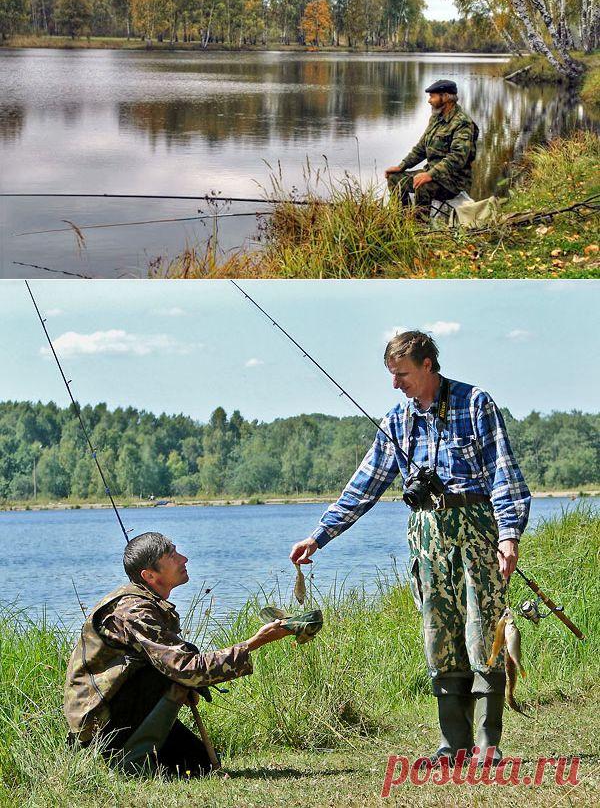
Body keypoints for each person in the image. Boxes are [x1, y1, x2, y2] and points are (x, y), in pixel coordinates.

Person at [290, 331, 531, 768]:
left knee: (484, 637)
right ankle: (452, 746)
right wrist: (319, 536)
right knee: (439, 641)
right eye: (391, 375)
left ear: (427, 366)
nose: (395, 384)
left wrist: (508, 534)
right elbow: (364, 485)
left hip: (477, 530)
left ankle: (486, 747)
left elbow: (503, 473)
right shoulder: (396, 420)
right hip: (426, 536)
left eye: (401, 374)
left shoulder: (476, 403)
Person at [64, 531, 292, 777]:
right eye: (172, 556)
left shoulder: (148, 602)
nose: (184, 559)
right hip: (101, 723)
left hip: (121, 709)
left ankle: (136, 760)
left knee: (198, 765)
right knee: (177, 670)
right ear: (149, 575)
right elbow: (187, 668)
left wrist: (181, 686)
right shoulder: (135, 609)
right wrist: (253, 643)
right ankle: (121, 762)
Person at [385, 80, 479, 219]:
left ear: (446, 97)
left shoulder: (463, 123)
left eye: (432, 96)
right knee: (395, 179)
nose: (429, 101)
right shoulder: (436, 118)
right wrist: (401, 166)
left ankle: (420, 229)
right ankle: (403, 221)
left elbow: (457, 157)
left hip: (454, 181)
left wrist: (430, 175)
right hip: (433, 173)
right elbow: (421, 148)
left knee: (423, 185)